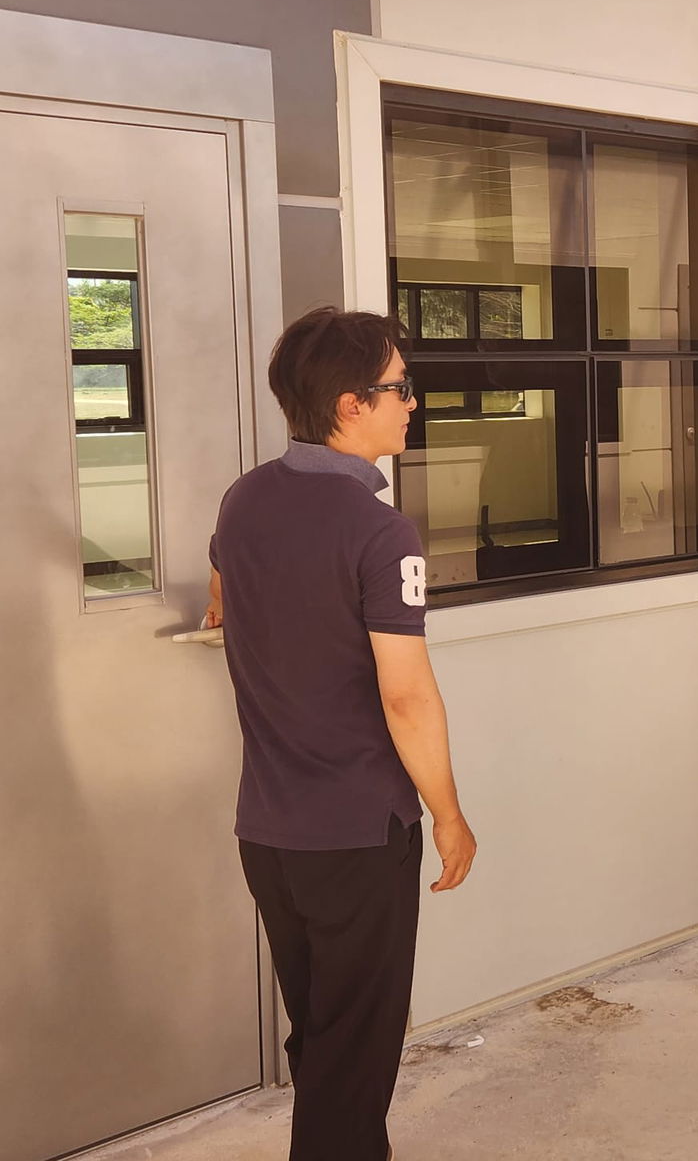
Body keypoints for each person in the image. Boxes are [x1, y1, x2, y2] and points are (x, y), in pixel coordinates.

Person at [206, 307, 477, 1161]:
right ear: (351, 403)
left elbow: (221, 596)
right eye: (400, 388)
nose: (412, 404)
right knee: (354, 1059)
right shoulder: (378, 530)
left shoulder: (245, 498)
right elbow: (407, 698)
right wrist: (450, 813)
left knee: (321, 1037)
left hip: (270, 837)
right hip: (359, 838)